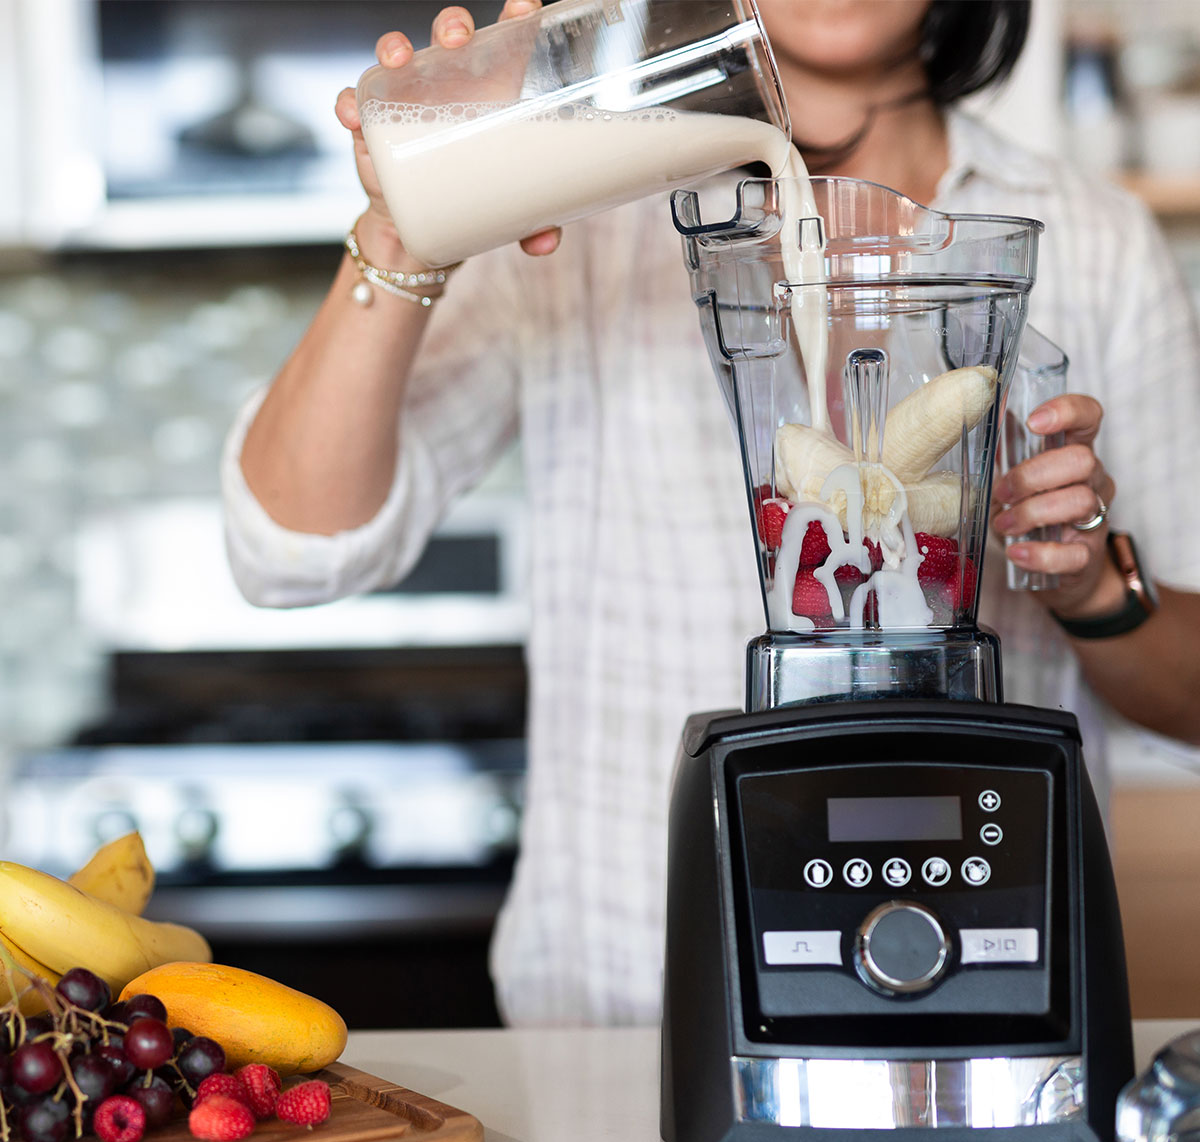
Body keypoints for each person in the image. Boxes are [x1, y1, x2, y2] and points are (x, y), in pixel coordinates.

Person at [222, 0, 1200, 1026]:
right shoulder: (583, 208)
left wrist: (1088, 581)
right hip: (620, 1011)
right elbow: (288, 551)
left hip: (991, 992)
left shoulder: (1091, 241)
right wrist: (406, 228)